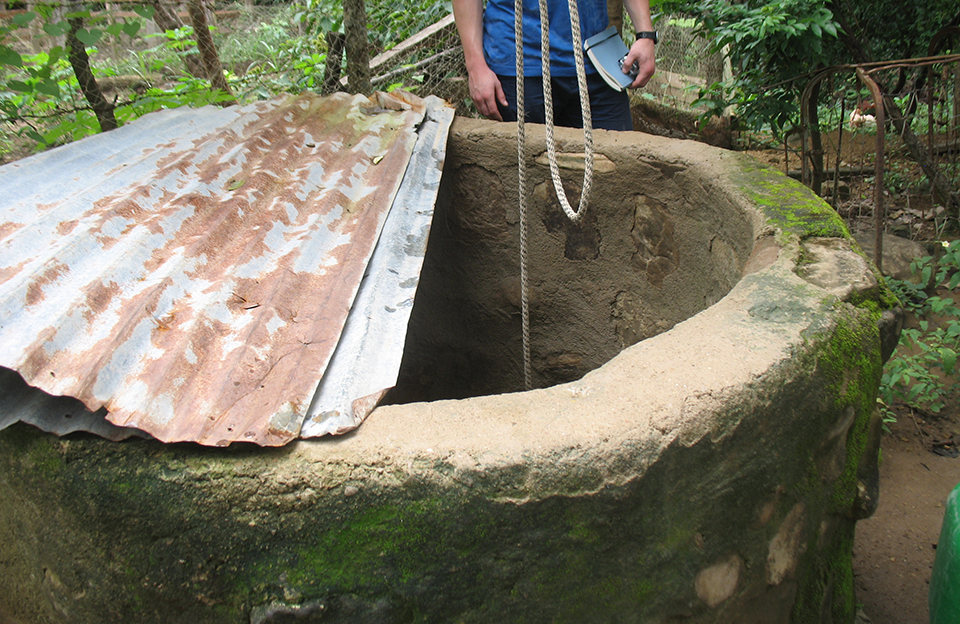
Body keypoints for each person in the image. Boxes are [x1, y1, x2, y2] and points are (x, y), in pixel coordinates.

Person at [452, 0, 656, 131]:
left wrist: (645, 34)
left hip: (594, 58)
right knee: (525, 179)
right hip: (519, 62)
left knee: (616, 169)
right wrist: (476, 66)